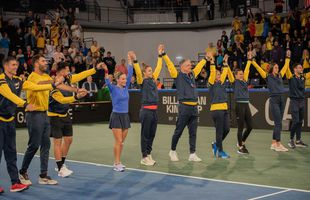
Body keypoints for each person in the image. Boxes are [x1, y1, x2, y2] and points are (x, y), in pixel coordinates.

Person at [19, 55, 79, 186]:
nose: (45, 62)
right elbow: (41, 85)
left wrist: (76, 91)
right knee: (34, 145)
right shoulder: (32, 77)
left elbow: (59, 86)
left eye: (46, 61)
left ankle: (43, 175)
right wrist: (54, 82)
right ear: (35, 63)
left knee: (46, 145)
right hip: (33, 115)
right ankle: (22, 172)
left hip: (44, 114)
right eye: (42, 61)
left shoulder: (46, 76)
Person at [49, 62, 104, 178]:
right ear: (61, 71)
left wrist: (95, 69)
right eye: (67, 69)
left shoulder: (68, 78)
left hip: (65, 114)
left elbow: (82, 75)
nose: (69, 71)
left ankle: (61, 164)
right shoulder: (53, 83)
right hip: (54, 116)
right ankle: (60, 168)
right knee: (57, 142)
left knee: (68, 140)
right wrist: (76, 97)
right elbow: (62, 100)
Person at [0, 57, 40, 193]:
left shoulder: (18, 80)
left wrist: (52, 84)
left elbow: (34, 85)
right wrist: (25, 104)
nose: (15, 67)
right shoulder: (1, 79)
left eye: (16, 64)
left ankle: (15, 183)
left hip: (10, 122)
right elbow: (10, 95)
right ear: (5, 66)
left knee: (11, 154)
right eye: (12, 64)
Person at [163, 46, 207, 162]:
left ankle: (192, 154)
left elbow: (198, 68)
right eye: (188, 65)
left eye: (190, 65)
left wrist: (205, 59)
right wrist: (164, 54)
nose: (190, 66)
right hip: (184, 107)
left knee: (193, 132)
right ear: (182, 67)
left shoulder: (192, 75)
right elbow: (170, 65)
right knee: (178, 131)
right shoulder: (177, 75)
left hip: (194, 108)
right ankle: (172, 151)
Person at [252, 51, 291, 152]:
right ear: (272, 68)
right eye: (276, 67)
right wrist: (252, 60)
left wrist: (287, 57)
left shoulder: (280, 75)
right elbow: (258, 68)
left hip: (282, 99)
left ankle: (274, 143)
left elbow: (286, 66)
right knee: (278, 123)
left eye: (278, 67)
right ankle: (278, 143)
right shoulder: (267, 76)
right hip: (274, 100)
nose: (278, 69)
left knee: (278, 122)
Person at [103, 51, 134, 172]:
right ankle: (116, 163)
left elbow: (130, 71)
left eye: (125, 79)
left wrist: (129, 60)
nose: (125, 80)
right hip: (116, 116)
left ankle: (119, 161)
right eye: (122, 79)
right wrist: (106, 70)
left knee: (122, 143)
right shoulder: (113, 88)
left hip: (125, 116)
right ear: (118, 80)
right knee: (119, 141)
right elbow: (106, 81)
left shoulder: (126, 87)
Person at [133, 45, 163, 166]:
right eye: (149, 71)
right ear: (144, 73)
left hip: (154, 112)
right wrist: (135, 61)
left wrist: (160, 54)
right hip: (146, 111)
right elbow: (138, 72)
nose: (152, 72)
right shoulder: (142, 81)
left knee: (152, 134)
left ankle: (149, 154)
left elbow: (159, 67)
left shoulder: (153, 79)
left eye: (151, 71)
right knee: (145, 135)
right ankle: (144, 156)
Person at [227, 53, 253, 154]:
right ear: (236, 75)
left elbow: (247, 69)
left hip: (246, 104)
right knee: (241, 127)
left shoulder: (245, 81)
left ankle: (241, 141)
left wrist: (249, 60)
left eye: (242, 74)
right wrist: (225, 64)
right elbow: (229, 72)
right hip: (239, 105)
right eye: (240, 74)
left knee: (250, 126)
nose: (242, 75)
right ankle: (240, 147)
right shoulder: (234, 81)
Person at [208, 54, 232, 158]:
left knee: (227, 129)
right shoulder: (211, 83)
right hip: (216, 109)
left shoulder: (221, 82)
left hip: (224, 109)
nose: (218, 75)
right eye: (217, 74)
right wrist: (212, 62)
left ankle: (216, 144)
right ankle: (220, 152)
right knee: (219, 131)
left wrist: (225, 62)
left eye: (219, 74)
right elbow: (213, 72)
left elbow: (225, 71)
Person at [286, 63, 308, 148]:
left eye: (301, 67)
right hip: (294, 101)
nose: (301, 68)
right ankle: (291, 140)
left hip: (302, 101)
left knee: (300, 121)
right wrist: (287, 59)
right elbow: (287, 67)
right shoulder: (290, 77)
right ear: (295, 69)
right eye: (299, 67)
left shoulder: (303, 77)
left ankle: (298, 140)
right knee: (295, 121)